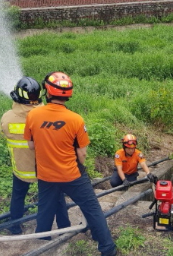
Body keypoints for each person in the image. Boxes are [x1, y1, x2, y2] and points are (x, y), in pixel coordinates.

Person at [24, 71, 117, 256]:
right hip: (72, 175)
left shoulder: (33, 115)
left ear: (48, 91)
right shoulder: (76, 119)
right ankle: (107, 249)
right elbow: (82, 153)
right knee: (92, 209)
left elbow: (31, 145)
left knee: (45, 208)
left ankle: (41, 244)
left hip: (46, 174)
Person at [0, 76, 70, 235]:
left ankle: (15, 227)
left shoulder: (7, 117)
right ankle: (64, 227)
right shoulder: (46, 116)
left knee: (18, 196)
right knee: (56, 197)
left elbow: (3, 132)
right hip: (45, 167)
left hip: (21, 168)